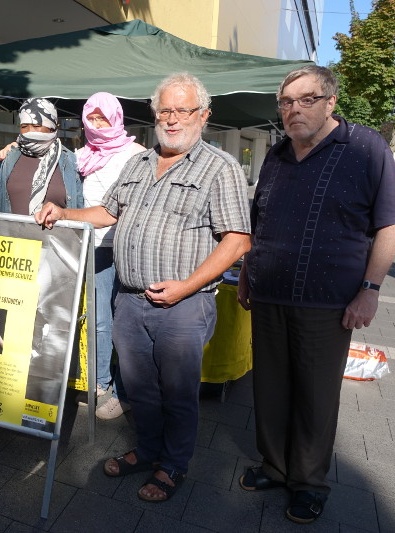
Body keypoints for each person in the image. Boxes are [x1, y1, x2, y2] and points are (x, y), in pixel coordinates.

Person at [36, 73, 251, 503]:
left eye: (182, 110)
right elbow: (107, 212)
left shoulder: (219, 166)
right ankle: (149, 450)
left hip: (184, 305)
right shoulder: (137, 162)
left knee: (178, 392)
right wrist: (64, 212)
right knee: (140, 389)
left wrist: (186, 286)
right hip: (130, 300)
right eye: (164, 111)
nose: (172, 120)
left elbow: (238, 239)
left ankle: (173, 465)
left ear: (203, 115)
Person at [236, 65, 395, 524]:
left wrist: (370, 290)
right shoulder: (275, 155)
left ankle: (309, 482)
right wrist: (246, 272)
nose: (294, 109)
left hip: (327, 300)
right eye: (286, 102)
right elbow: (261, 221)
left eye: (307, 99)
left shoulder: (365, 146)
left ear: (330, 101)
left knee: (315, 397)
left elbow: (391, 221)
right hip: (271, 293)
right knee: (270, 387)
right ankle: (275, 466)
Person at [75, 92, 144, 420]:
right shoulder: (82, 154)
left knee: (128, 321)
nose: (98, 123)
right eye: (92, 117)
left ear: (117, 117)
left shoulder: (137, 153)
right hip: (95, 246)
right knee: (100, 318)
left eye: (104, 117)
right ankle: (100, 381)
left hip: (129, 248)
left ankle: (125, 389)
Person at [0, 98, 83, 214]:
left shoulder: (71, 162)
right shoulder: (6, 160)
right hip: (11, 232)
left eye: (36, 126)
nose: (30, 132)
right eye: (24, 126)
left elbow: (79, 208)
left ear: (51, 127)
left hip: (58, 232)